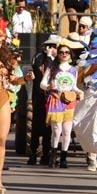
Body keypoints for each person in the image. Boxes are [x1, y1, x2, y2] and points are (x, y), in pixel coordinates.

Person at [41, 37, 82, 168]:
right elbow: (42, 84)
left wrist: (79, 92)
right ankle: (53, 158)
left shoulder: (74, 70)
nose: (64, 54)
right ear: (58, 54)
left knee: (67, 131)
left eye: (67, 52)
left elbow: (74, 86)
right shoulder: (52, 68)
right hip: (55, 100)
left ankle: (63, 158)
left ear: (70, 54)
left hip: (69, 101)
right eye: (61, 52)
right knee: (56, 130)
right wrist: (50, 87)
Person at [0, 43, 31, 194]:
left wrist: (25, 78)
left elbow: (13, 80)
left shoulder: (5, 61)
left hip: (2, 99)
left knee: (1, 141)